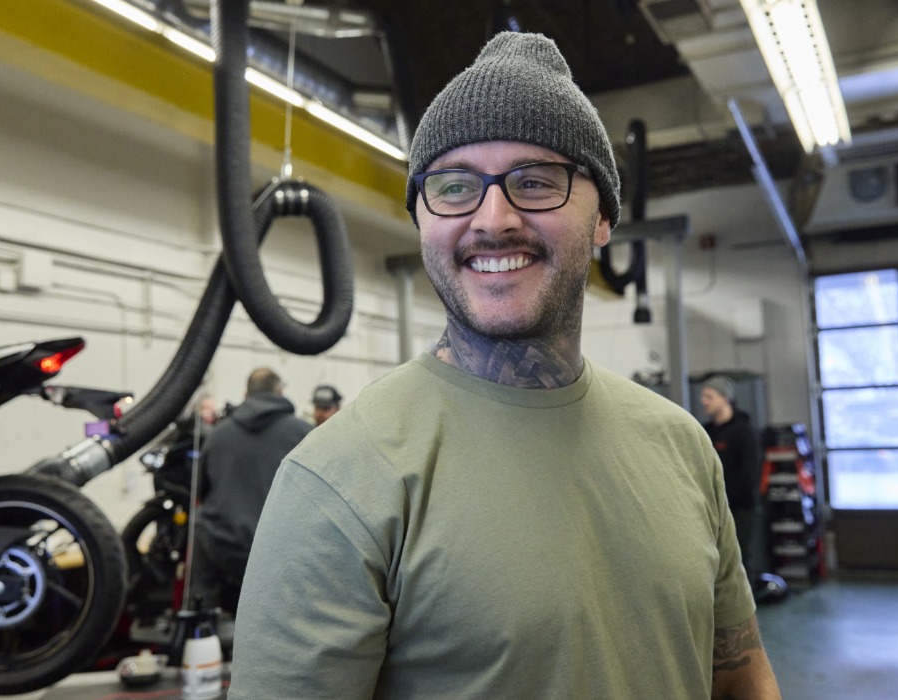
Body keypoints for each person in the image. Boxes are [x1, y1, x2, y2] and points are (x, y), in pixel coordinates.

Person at [229, 32, 780, 699]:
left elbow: (740, 673)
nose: (493, 219)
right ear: (421, 218)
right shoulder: (341, 479)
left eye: (536, 181)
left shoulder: (683, 446)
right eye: (454, 186)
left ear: (604, 215)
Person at [189, 368, 311, 615]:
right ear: (280, 392)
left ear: (246, 394)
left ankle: (201, 630)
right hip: (282, 555)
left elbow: (199, 491)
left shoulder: (217, 435)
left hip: (224, 550)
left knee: (200, 531)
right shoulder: (305, 434)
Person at [700, 375, 765, 591]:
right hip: (712, 510)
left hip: (741, 510)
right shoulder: (706, 432)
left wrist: (726, 500)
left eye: (709, 396)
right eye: (703, 396)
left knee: (740, 562)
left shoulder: (744, 432)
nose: (704, 401)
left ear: (725, 398)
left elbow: (749, 477)